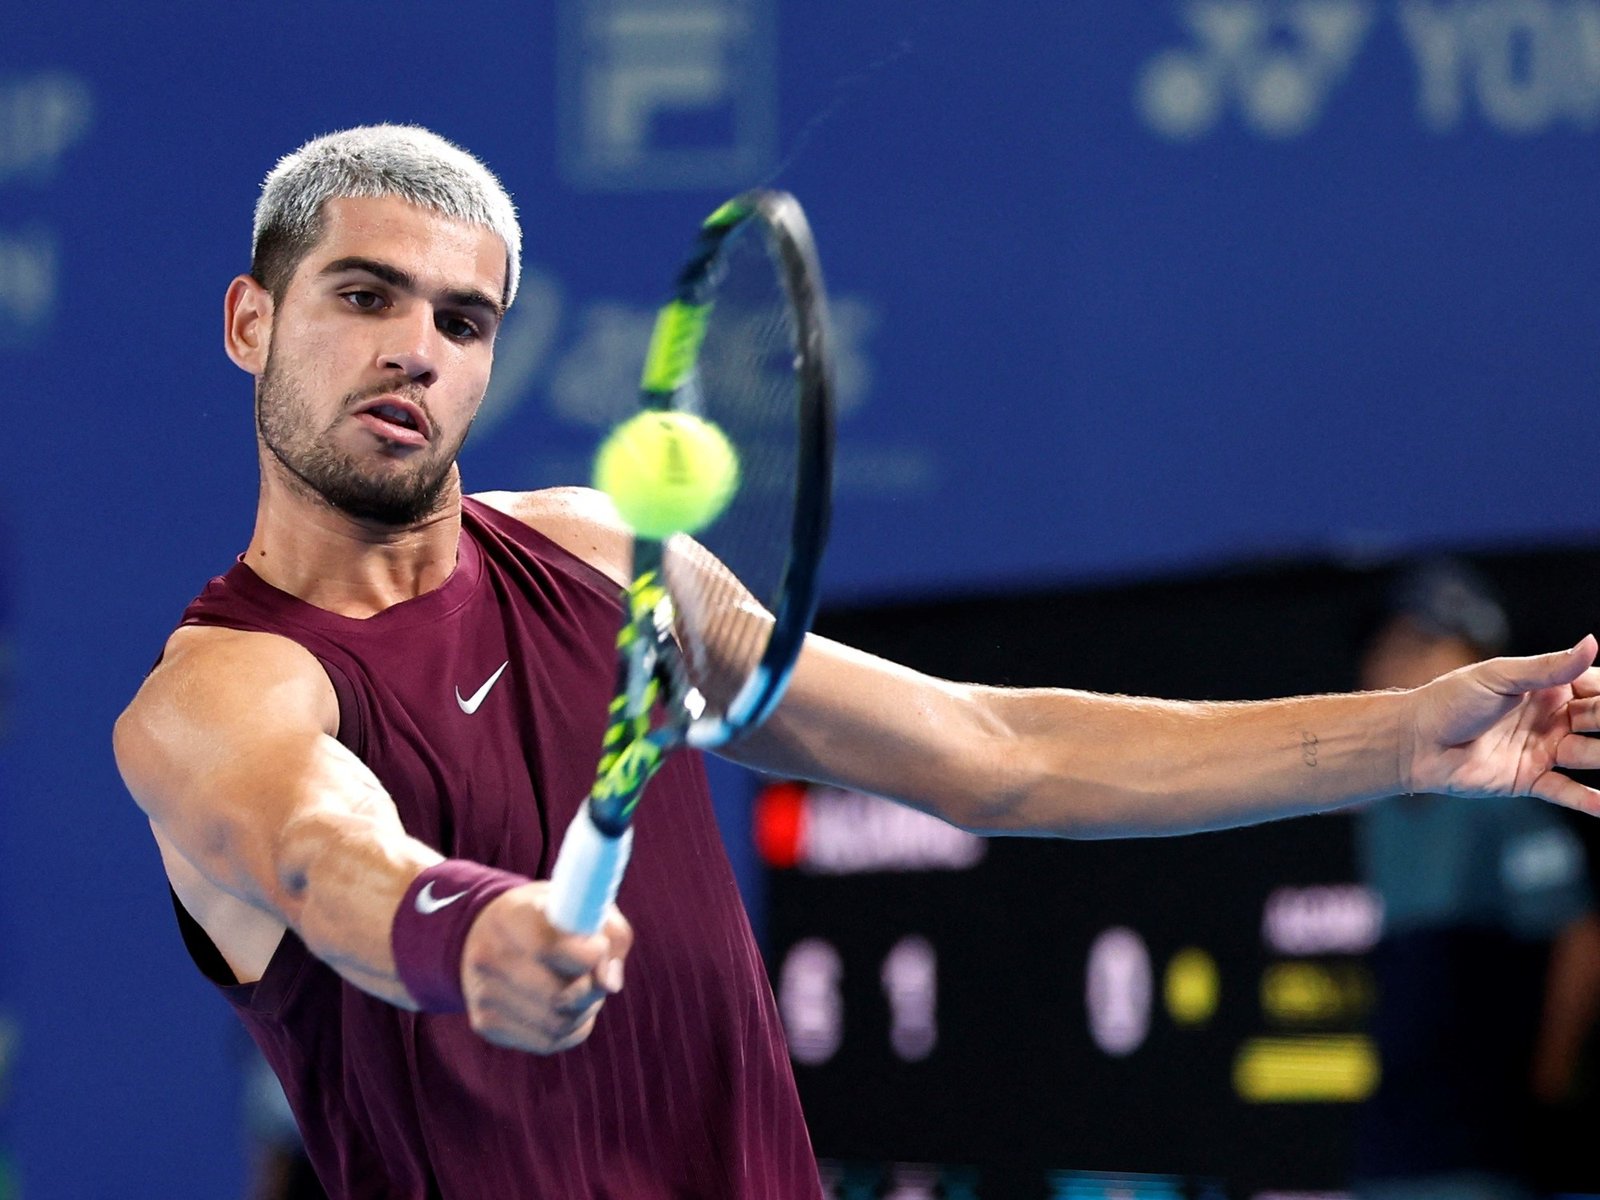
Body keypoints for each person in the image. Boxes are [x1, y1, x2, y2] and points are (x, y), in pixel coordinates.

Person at [110, 125, 1600, 1200]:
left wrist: (1410, 740)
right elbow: (323, 855)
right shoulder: (216, 696)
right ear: (253, 321)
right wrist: (474, 936)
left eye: (463, 317)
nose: (416, 351)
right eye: (364, 296)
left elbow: (993, 752)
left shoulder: (605, 560)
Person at [1353, 561, 1600, 1200]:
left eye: (1423, 646)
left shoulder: (1506, 806)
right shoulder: (1378, 811)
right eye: (1392, 645)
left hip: (1479, 1141)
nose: (1394, 664)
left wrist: (1546, 1079)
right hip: (1394, 1139)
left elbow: (1578, 935)